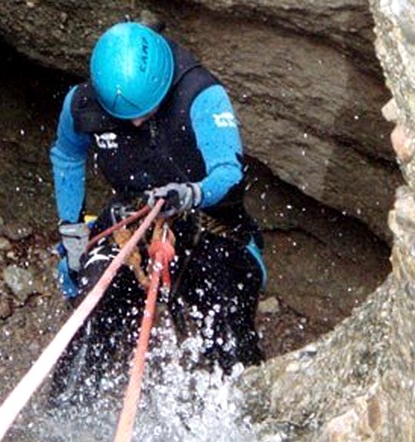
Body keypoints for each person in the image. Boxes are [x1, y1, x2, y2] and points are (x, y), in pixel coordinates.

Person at [47, 21, 267, 403]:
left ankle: (246, 408)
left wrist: (193, 193)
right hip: (131, 219)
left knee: (223, 314)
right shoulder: (83, 103)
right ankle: (65, 412)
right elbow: (67, 155)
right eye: (126, 116)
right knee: (92, 306)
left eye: (144, 113)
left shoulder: (201, 95)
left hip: (209, 223)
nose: (135, 123)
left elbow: (228, 172)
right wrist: (71, 229)